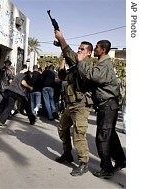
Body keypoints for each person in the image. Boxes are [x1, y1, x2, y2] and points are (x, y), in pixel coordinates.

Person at [76, 39, 126, 178]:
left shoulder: (104, 64)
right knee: (111, 136)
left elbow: (92, 75)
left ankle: (106, 168)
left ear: (103, 49)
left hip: (108, 105)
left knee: (102, 138)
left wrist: (81, 61)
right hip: (108, 105)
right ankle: (121, 161)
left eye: (97, 47)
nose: (95, 49)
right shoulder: (102, 63)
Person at [55, 30, 94, 176]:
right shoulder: (76, 65)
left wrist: (61, 39)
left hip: (81, 105)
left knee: (78, 134)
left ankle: (84, 163)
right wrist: (63, 61)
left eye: (82, 49)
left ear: (89, 53)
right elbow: (62, 75)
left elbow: (71, 53)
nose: (79, 50)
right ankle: (67, 154)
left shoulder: (87, 65)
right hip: (70, 104)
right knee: (61, 128)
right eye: (79, 48)